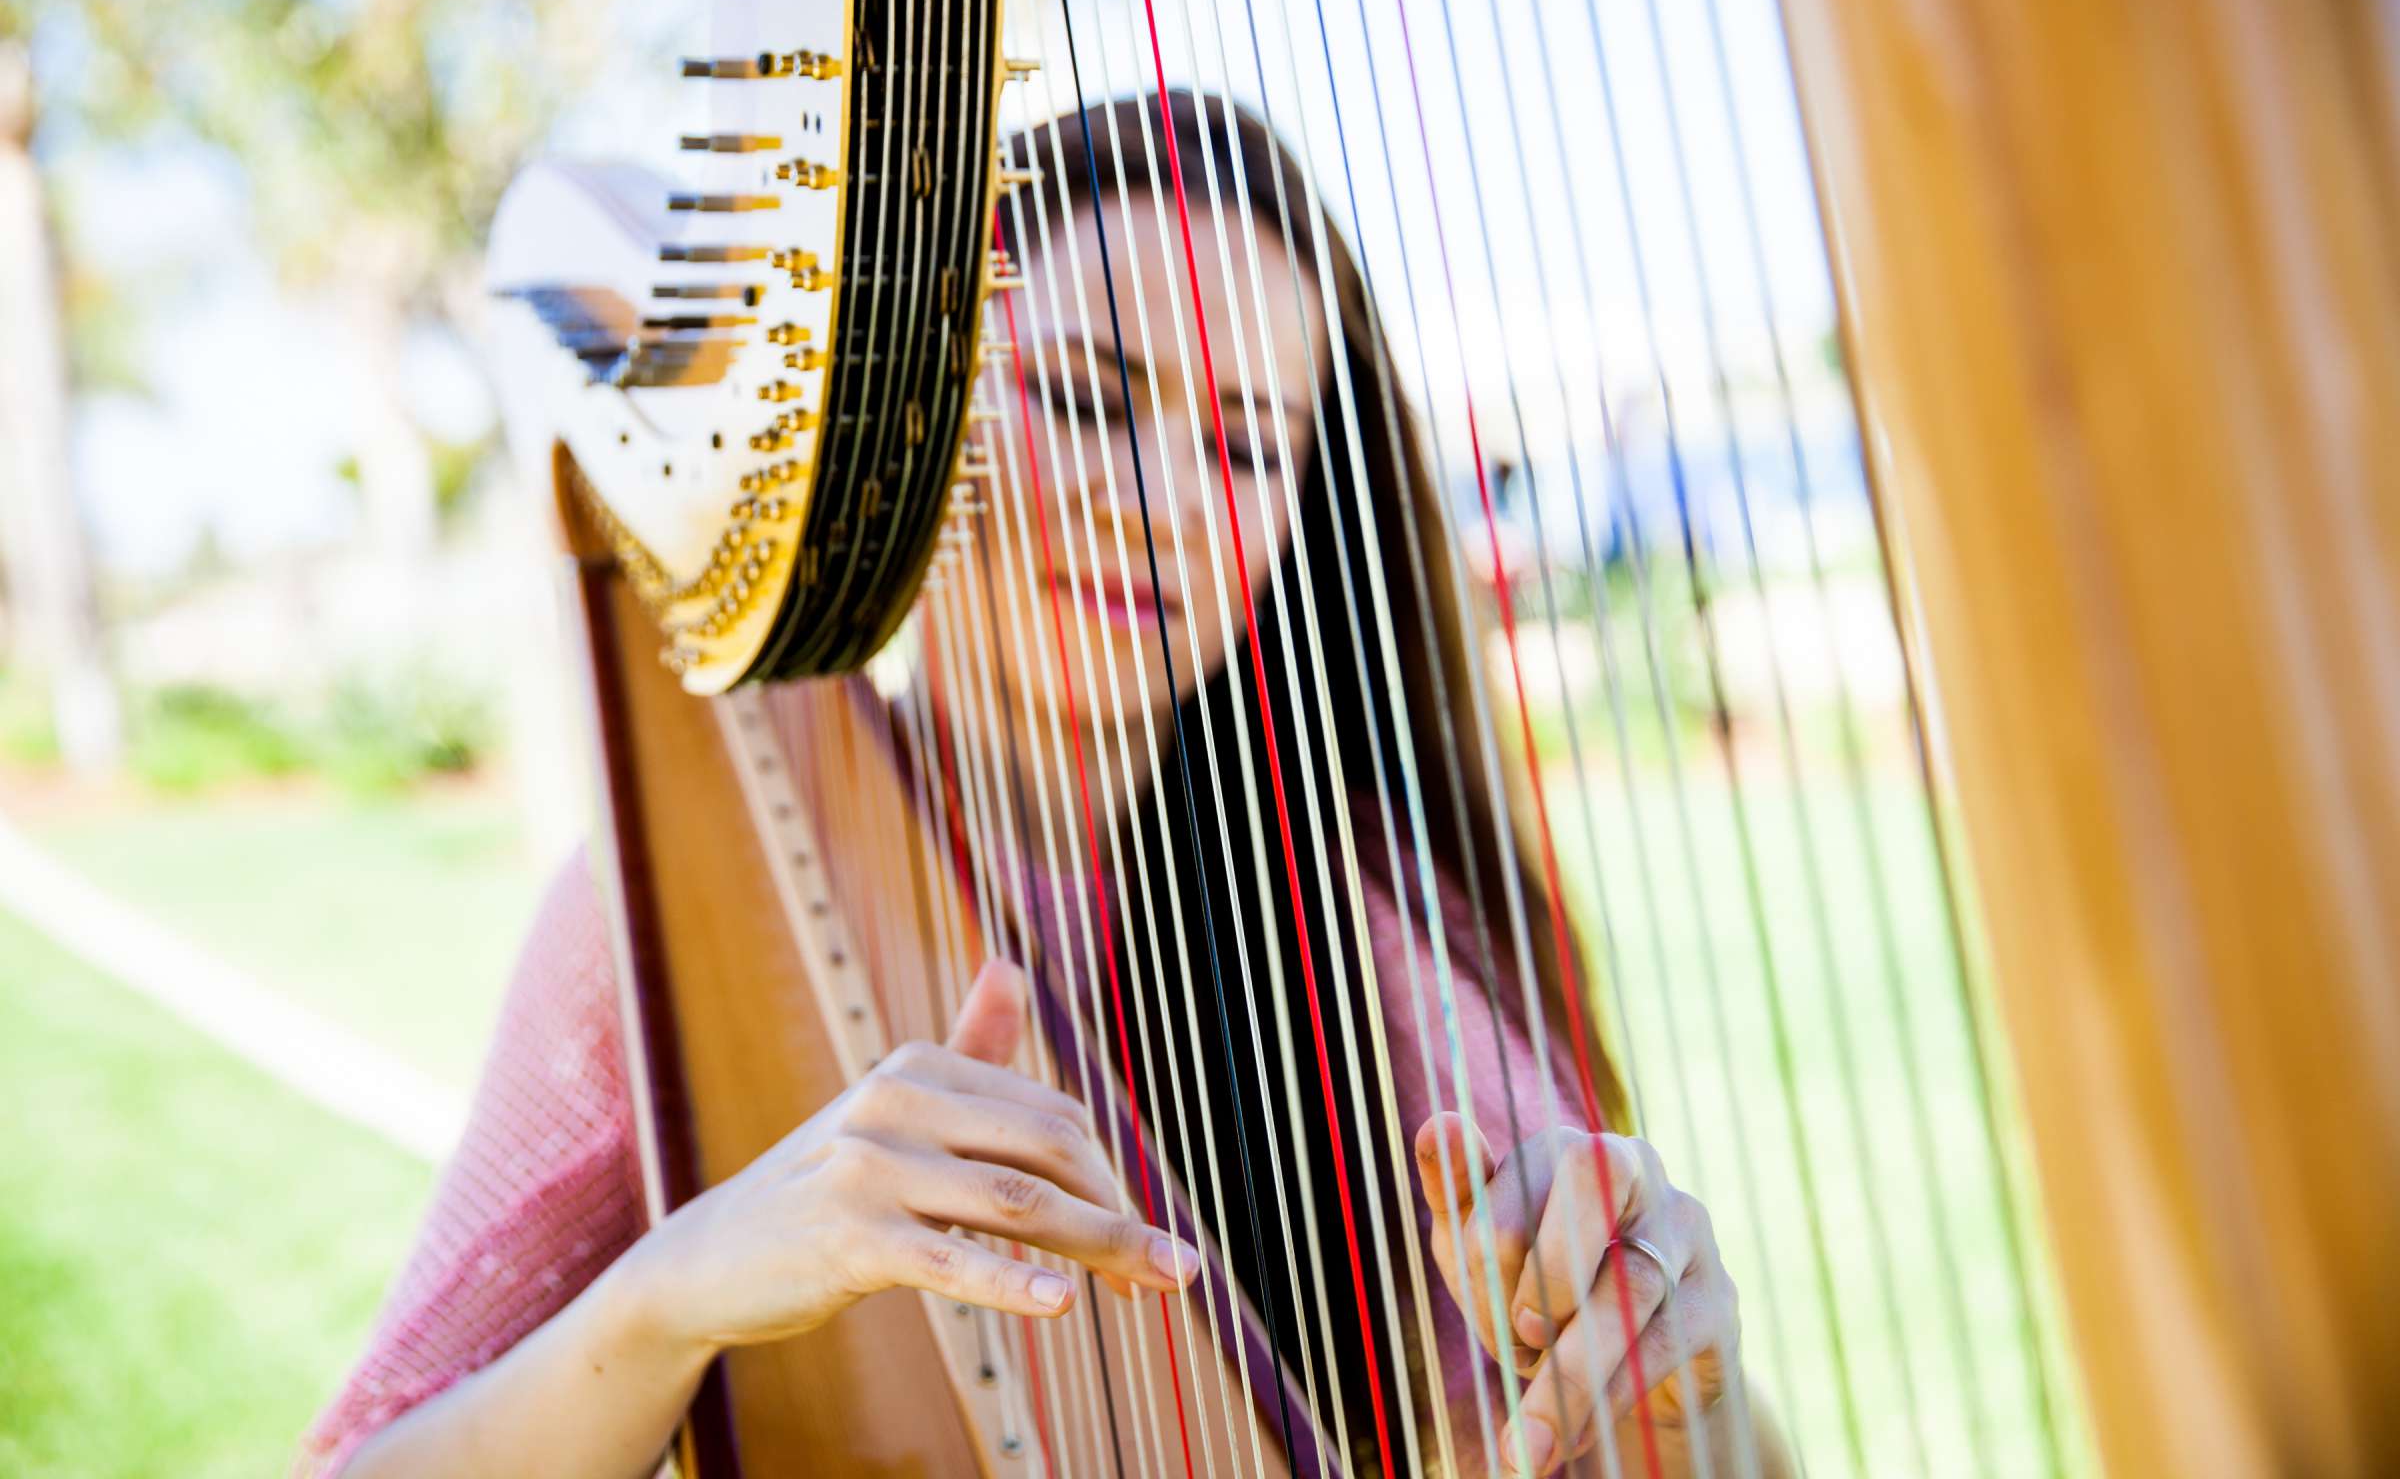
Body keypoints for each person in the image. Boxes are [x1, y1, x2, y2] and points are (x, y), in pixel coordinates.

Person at [303, 93, 1786, 1479]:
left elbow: (1670, 1440)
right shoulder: (651, 912)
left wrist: (1681, 1376)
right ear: (919, 423)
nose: (1159, 505)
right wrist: (667, 1300)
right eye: (1086, 398)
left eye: (1246, 446)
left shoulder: (1361, 909)